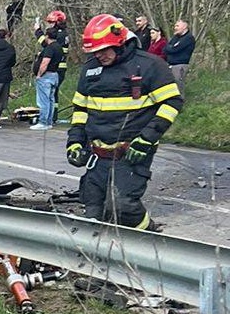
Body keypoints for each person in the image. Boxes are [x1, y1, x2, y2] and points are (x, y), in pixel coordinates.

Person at [66, 13, 183, 229]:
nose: (99, 56)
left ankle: (149, 236)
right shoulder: (90, 69)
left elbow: (173, 102)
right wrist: (74, 142)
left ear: (119, 41)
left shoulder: (150, 65)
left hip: (131, 152)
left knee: (122, 205)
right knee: (92, 207)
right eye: (95, 52)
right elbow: (80, 109)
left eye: (103, 50)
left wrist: (147, 139)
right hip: (97, 155)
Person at [31, 29, 62, 130]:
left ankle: (43, 122)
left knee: (43, 100)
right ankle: (49, 122)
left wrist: (39, 74)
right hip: (54, 75)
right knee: (50, 100)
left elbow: (45, 63)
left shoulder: (50, 48)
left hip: (46, 76)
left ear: (47, 36)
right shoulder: (59, 47)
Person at [165, 19, 195, 86]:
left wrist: (171, 48)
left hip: (179, 66)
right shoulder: (175, 37)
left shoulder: (188, 38)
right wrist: (171, 48)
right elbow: (165, 48)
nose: (175, 28)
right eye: (175, 26)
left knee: (178, 87)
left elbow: (174, 50)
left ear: (184, 26)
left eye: (177, 26)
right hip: (170, 65)